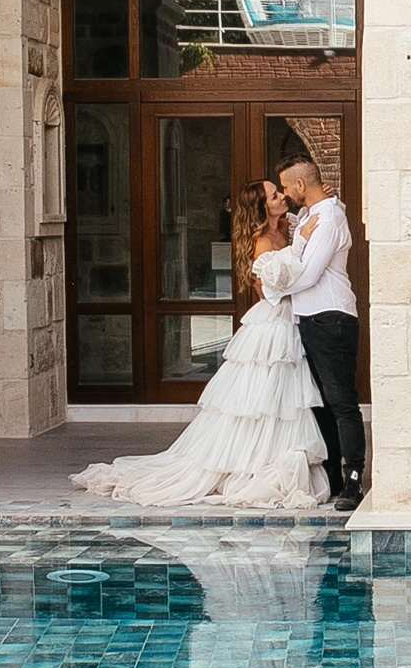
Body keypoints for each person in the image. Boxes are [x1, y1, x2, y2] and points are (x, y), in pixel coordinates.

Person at [71, 179, 328, 508]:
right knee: (265, 400)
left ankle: (275, 455)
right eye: (275, 196)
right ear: (262, 208)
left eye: (279, 192)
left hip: (291, 320)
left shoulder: (284, 228)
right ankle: (250, 464)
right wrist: (300, 247)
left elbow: (308, 214)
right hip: (273, 325)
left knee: (283, 403)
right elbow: (271, 290)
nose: (282, 197)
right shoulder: (261, 241)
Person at [267, 153, 364, 509]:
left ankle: (354, 478)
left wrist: (276, 288)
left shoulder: (329, 217)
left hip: (331, 318)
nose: (285, 194)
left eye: (286, 187)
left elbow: (308, 274)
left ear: (300, 185)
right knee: (321, 404)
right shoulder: (309, 215)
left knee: (341, 402)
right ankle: (334, 477)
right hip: (308, 319)